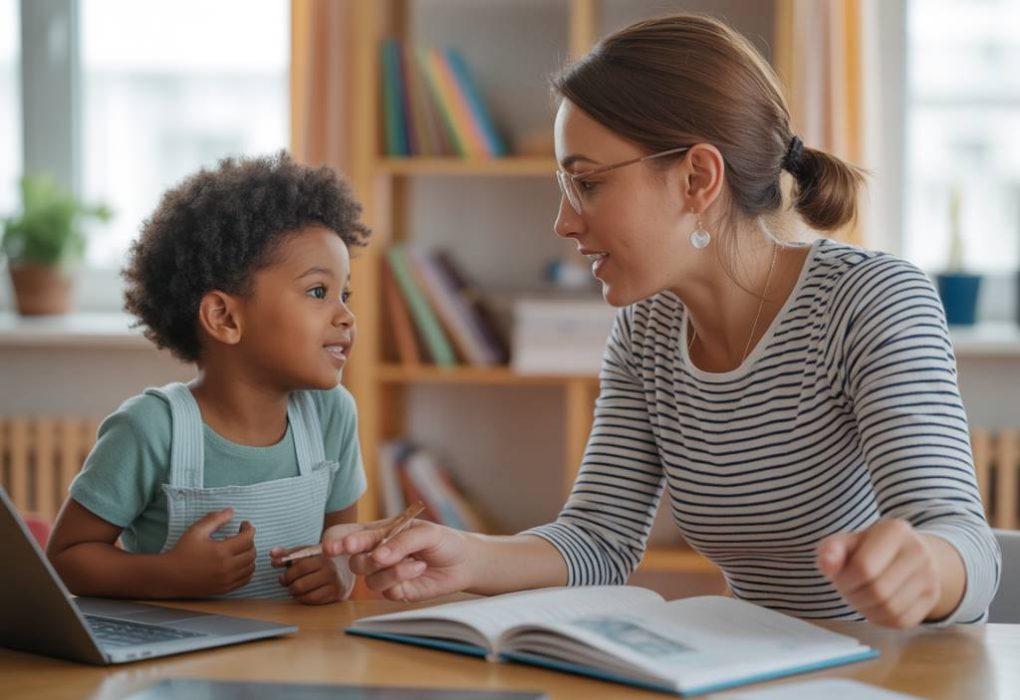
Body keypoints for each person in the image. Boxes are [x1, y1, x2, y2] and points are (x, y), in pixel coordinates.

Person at [325, 13, 1000, 628]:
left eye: (587, 182)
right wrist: (463, 554)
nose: (564, 222)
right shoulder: (646, 332)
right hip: (766, 670)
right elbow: (598, 540)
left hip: (903, 672)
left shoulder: (872, 300)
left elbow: (964, 541)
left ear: (697, 180)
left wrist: (924, 568)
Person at [47, 152, 370, 604]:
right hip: (177, 667)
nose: (347, 316)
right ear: (224, 317)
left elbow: (342, 541)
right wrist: (168, 575)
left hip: (300, 664)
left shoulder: (332, 415)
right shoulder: (150, 429)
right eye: (319, 292)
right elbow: (66, 559)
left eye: (345, 293)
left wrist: (337, 570)